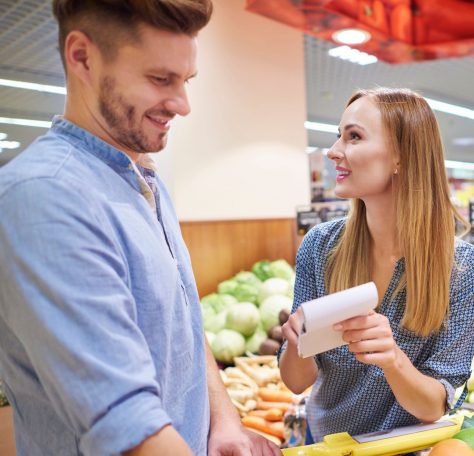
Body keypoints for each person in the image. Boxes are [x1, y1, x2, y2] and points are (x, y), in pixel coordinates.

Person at [0, 1, 280, 455]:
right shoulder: (44, 195)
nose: (183, 105)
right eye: (159, 79)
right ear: (82, 57)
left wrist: (224, 420)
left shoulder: (143, 179)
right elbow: (127, 426)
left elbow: (185, 321)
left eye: (185, 81)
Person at [279, 88, 474, 443]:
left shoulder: (463, 269)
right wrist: (298, 343)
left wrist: (392, 358)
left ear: (401, 156)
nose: (333, 151)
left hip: (408, 449)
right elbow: (296, 381)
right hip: (329, 445)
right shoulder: (320, 246)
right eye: (338, 136)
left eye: (354, 136)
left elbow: (434, 406)